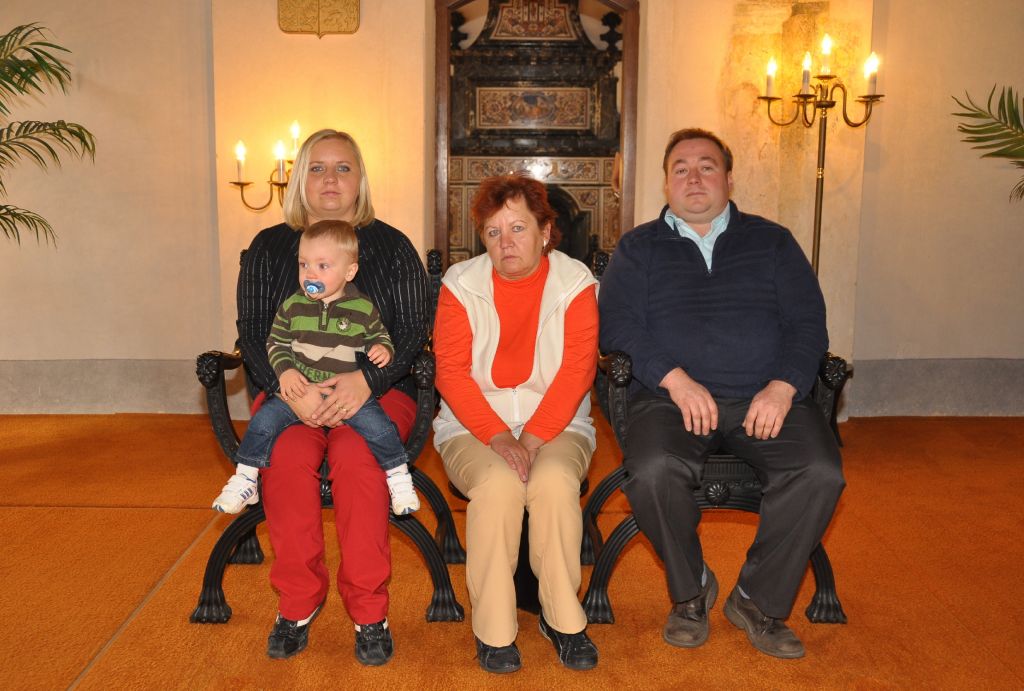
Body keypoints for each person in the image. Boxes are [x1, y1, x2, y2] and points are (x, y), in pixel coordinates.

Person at [598, 128, 846, 660]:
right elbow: (617, 326)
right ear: (666, 183)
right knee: (653, 472)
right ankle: (691, 593)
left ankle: (758, 600)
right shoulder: (638, 248)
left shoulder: (773, 242)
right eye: (681, 169)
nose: (694, 177)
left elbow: (808, 323)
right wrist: (675, 379)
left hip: (765, 398)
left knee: (820, 472)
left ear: (729, 179)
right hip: (669, 399)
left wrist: (783, 386)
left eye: (706, 166)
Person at [235, 129, 430, 664]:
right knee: (285, 456)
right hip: (290, 395)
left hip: (377, 394)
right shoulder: (269, 247)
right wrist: (288, 388)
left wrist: (367, 381)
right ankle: (297, 603)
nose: (329, 179)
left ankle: (369, 611)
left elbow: (414, 329)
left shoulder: (392, 246)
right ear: (300, 178)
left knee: (357, 455)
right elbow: (252, 332)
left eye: (343, 168)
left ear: (360, 179)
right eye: (317, 168)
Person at [433, 173, 600, 673]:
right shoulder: (460, 284)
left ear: (545, 231)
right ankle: (494, 629)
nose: (505, 242)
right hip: (472, 424)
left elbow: (577, 372)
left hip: (559, 422)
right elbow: (451, 373)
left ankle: (563, 619)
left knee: (554, 481)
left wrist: (532, 439)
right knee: (498, 485)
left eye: (518, 228)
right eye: (493, 232)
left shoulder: (576, 283)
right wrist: (501, 437)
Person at [212, 219, 420, 517]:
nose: (310, 273)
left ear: (349, 271)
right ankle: (245, 477)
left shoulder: (362, 308)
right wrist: (285, 372)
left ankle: (398, 477)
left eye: (323, 266)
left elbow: (380, 335)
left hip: (342, 392)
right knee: (262, 422)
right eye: (303, 264)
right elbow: (275, 342)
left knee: (379, 427)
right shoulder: (292, 307)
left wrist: (381, 348)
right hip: (300, 389)